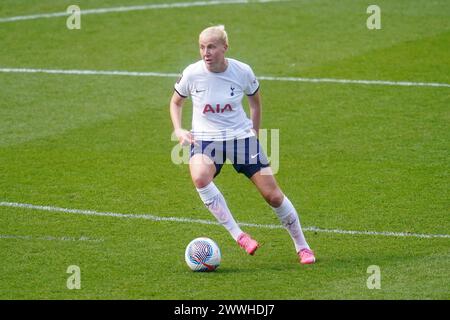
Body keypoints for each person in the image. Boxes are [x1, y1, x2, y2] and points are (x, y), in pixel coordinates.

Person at [169, 25, 316, 265]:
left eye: (211, 47)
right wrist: (178, 128)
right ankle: (239, 235)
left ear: (224, 48)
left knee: (273, 196)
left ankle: (303, 247)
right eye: (202, 47)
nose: (206, 52)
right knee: (200, 177)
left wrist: (254, 134)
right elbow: (175, 103)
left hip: (241, 138)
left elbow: (255, 103)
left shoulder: (242, 71)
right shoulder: (192, 74)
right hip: (206, 140)